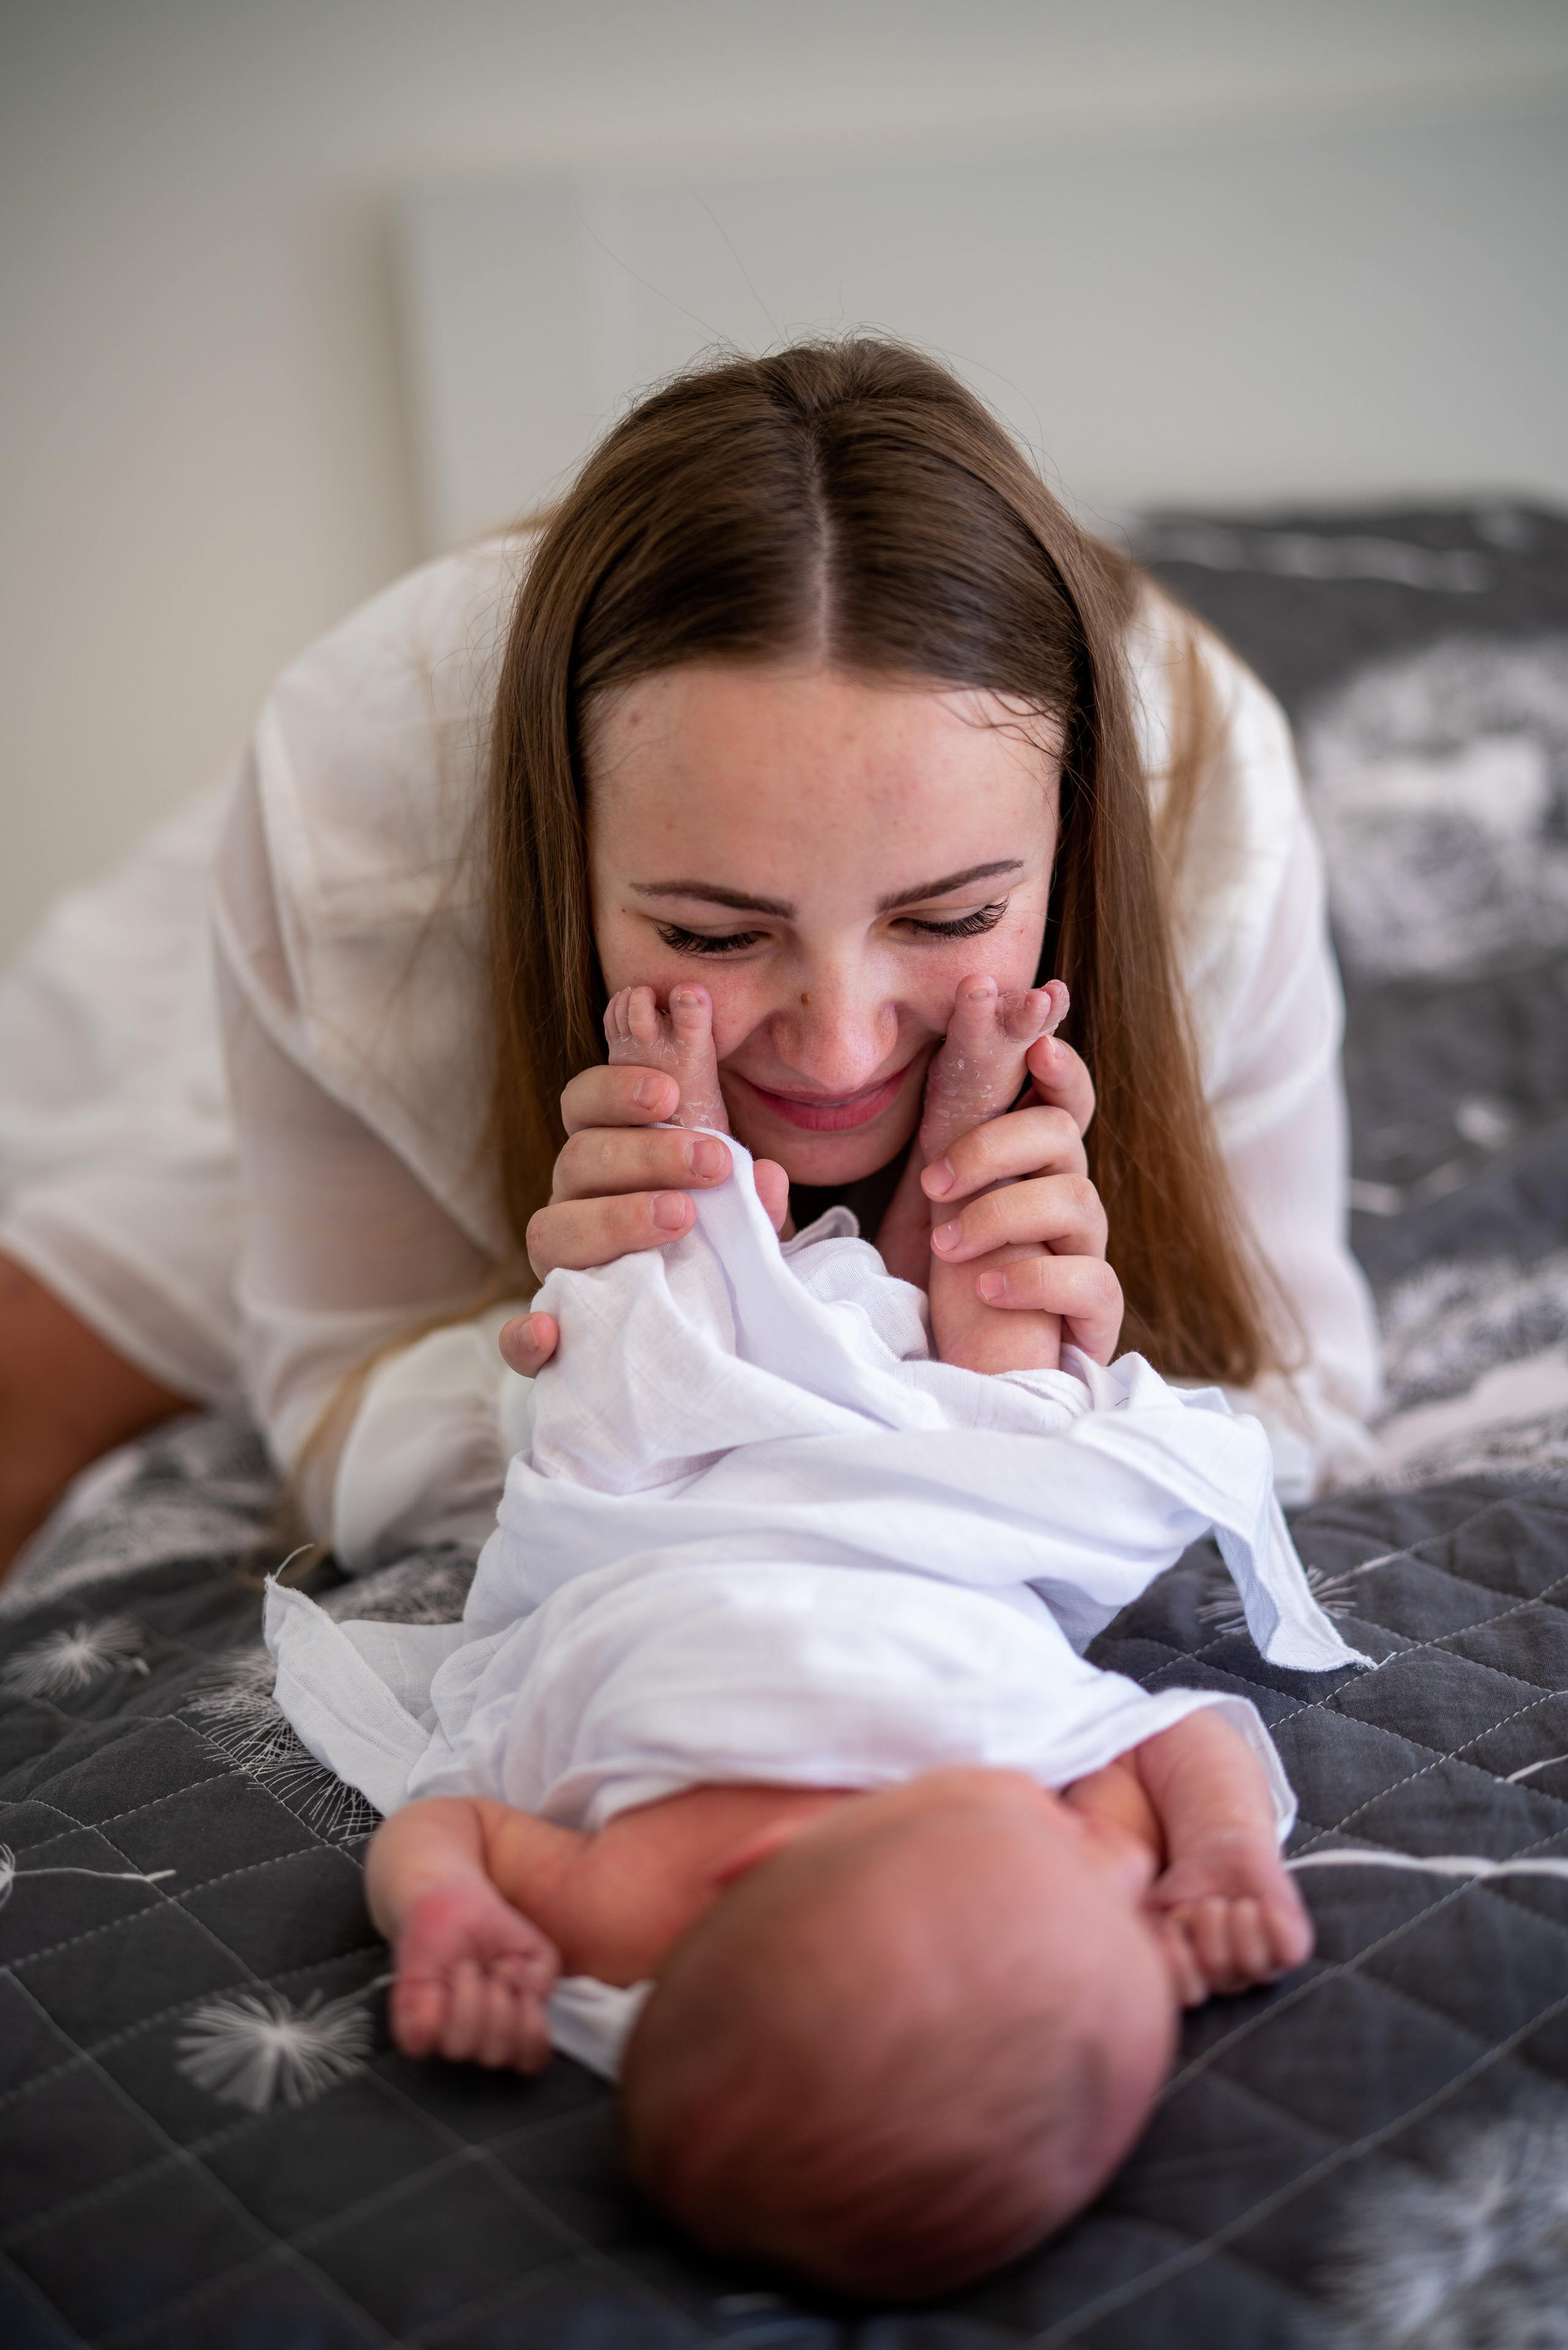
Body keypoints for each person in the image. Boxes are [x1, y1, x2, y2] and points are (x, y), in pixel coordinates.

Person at [0, 338, 1380, 1576]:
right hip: (381, 954)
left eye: (950, 916)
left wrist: (980, 1376)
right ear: (573, 853)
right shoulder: (355, 815)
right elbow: (328, 1417)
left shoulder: (1207, 810)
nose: (838, 1049)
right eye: (712, 933)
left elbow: (1302, 1397)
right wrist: (622, 1362)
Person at [271, 976, 1362, 2299]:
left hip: (670, 1530)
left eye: (1078, 1858)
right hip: (938, 1535)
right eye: (1112, 1875)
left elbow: (440, 1828)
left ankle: (683, 1126)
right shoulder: (1066, 1880)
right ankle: (966, 1154)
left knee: (643, 1341)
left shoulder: (640, 1906)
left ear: (757, 1863)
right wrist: (1229, 1846)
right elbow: (1183, 1734)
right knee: (1010, 1393)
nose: (1104, 1853)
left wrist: (445, 1912)